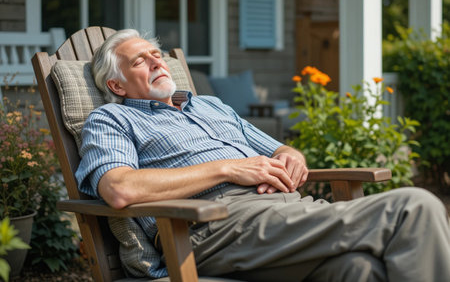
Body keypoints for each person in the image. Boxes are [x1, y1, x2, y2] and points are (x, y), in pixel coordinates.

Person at [76, 29, 450, 282]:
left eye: (157, 55)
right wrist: (227, 168)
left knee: (360, 270)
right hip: (209, 226)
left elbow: (279, 148)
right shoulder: (112, 118)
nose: (158, 62)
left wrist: (293, 157)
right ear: (116, 84)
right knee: (414, 208)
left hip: (284, 214)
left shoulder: (211, 106)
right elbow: (119, 188)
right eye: (140, 60)